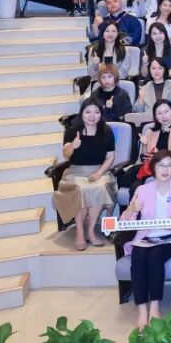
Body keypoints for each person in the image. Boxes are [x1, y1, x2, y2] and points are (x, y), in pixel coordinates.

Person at [122, 149, 171, 328]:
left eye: (170, 165)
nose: (165, 169)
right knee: (138, 257)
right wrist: (132, 208)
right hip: (146, 236)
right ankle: (142, 310)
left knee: (155, 257)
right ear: (153, 167)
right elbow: (125, 222)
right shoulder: (142, 189)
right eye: (161, 165)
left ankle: (154, 306)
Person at [55, 101, 117, 250]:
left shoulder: (106, 130)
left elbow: (110, 157)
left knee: (100, 187)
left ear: (101, 114)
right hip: (76, 172)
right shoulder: (72, 131)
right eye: (88, 112)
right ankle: (79, 231)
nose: (92, 115)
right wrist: (72, 146)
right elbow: (66, 155)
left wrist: (99, 173)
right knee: (81, 189)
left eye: (96, 112)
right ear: (82, 113)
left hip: (99, 171)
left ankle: (90, 230)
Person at [137, 100, 171, 177]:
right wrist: (144, 145)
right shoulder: (150, 131)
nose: (164, 116)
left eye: (166, 112)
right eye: (159, 113)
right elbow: (145, 159)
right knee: (129, 174)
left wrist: (159, 155)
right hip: (151, 168)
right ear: (155, 116)